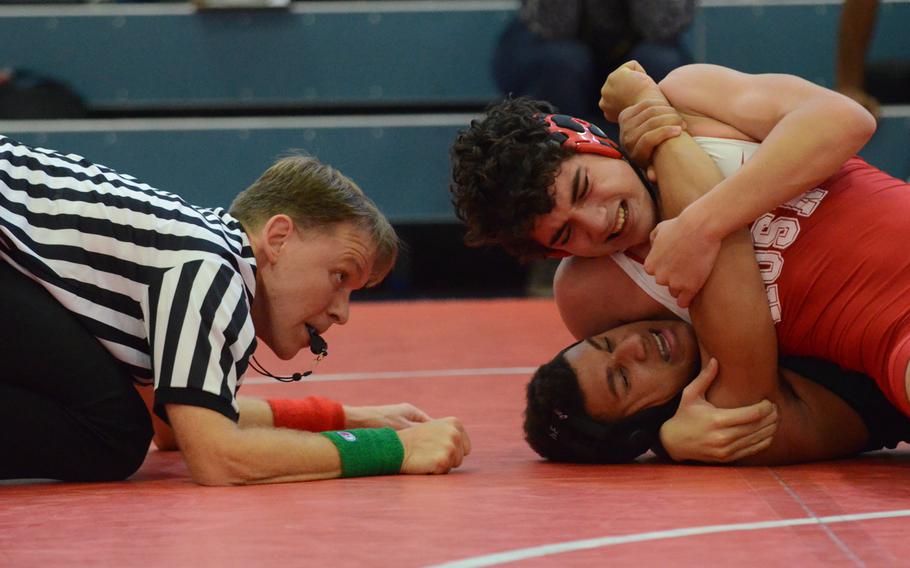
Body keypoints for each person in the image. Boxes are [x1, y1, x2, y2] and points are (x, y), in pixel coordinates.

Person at [1, 136, 470, 484]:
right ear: (279, 238)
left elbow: (174, 424)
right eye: (340, 277)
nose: (342, 313)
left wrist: (350, 417)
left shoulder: (204, 253)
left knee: (118, 426)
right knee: (113, 433)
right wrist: (391, 448)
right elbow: (216, 455)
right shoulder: (207, 267)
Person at [522, 68, 910, 464]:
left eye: (584, 187)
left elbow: (849, 120)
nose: (599, 221)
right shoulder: (601, 293)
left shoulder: (686, 100)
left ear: (596, 144)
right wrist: (665, 437)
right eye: (565, 235)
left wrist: (698, 221)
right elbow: (624, 410)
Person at [494, 0, 696, 126]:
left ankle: (655, 162)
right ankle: (557, 155)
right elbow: (552, 26)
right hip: (552, 49)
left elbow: (662, 27)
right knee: (562, 61)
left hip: (635, 47)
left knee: (660, 60)